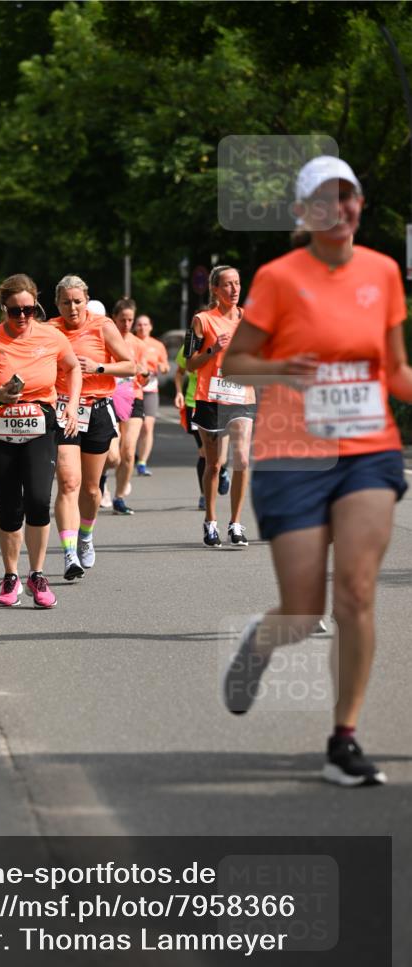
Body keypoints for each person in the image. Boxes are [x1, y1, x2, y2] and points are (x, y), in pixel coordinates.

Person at [221, 155, 411, 786]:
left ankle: (344, 738)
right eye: (325, 200)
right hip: (291, 451)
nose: (342, 209)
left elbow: (395, 370)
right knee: (303, 611)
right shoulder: (278, 278)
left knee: (356, 592)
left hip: (366, 447)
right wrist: (283, 369)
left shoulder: (383, 272)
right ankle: (263, 640)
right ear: (304, 215)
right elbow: (234, 365)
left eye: (349, 196)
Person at [0, 273, 81, 608]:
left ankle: (38, 573)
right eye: (16, 311)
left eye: (29, 309)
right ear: (4, 309)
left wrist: (70, 406)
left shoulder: (51, 336)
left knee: (40, 500)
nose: (24, 317)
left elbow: (72, 368)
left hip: (40, 425)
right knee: (10, 508)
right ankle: (11, 575)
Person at [50, 275, 137, 578]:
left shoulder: (103, 326)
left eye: (77, 301)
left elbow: (130, 365)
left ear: (86, 299)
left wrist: (99, 367)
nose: (72, 308)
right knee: (68, 483)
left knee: (91, 489)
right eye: (65, 302)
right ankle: (69, 553)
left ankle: (85, 535)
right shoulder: (50, 330)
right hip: (63, 412)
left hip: (97, 410)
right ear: (56, 303)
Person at [187, 266, 256, 546]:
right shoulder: (202, 321)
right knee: (214, 464)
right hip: (210, 397)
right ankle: (211, 521)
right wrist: (212, 351)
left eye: (238, 283)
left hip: (241, 396)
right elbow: (191, 363)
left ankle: (236, 523)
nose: (235, 289)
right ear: (215, 289)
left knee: (241, 458)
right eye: (228, 284)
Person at [174, 336, 230, 511]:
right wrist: (179, 393)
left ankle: (222, 471)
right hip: (194, 403)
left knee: (221, 458)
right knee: (204, 453)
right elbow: (179, 372)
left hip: (219, 402)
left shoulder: (224, 343)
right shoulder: (189, 347)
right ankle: (204, 495)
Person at [106, 297, 148, 514]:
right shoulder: (105, 339)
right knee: (113, 456)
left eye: (130, 319)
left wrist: (145, 374)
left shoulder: (139, 345)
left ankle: (119, 497)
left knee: (129, 451)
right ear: (114, 318)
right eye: (122, 319)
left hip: (133, 398)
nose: (127, 324)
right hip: (109, 398)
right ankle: (102, 475)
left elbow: (144, 378)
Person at [133, 314, 169, 476]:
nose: (142, 327)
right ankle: (129, 453)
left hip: (150, 390)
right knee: (134, 426)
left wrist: (162, 367)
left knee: (147, 426)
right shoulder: (130, 342)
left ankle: (142, 462)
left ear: (151, 327)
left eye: (145, 324)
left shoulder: (158, 345)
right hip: (133, 389)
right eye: (139, 325)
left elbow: (166, 366)